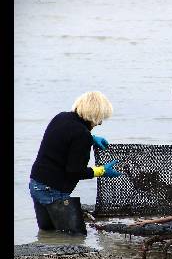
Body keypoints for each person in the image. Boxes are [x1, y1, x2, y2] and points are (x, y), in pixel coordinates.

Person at [29, 91, 122, 235]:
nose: (100, 123)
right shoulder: (82, 135)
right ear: (94, 115)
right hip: (53, 191)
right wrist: (101, 171)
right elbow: (74, 172)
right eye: (100, 118)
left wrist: (91, 138)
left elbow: (67, 136)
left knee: (48, 233)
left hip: (36, 183)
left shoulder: (61, 117)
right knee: (75, 237)